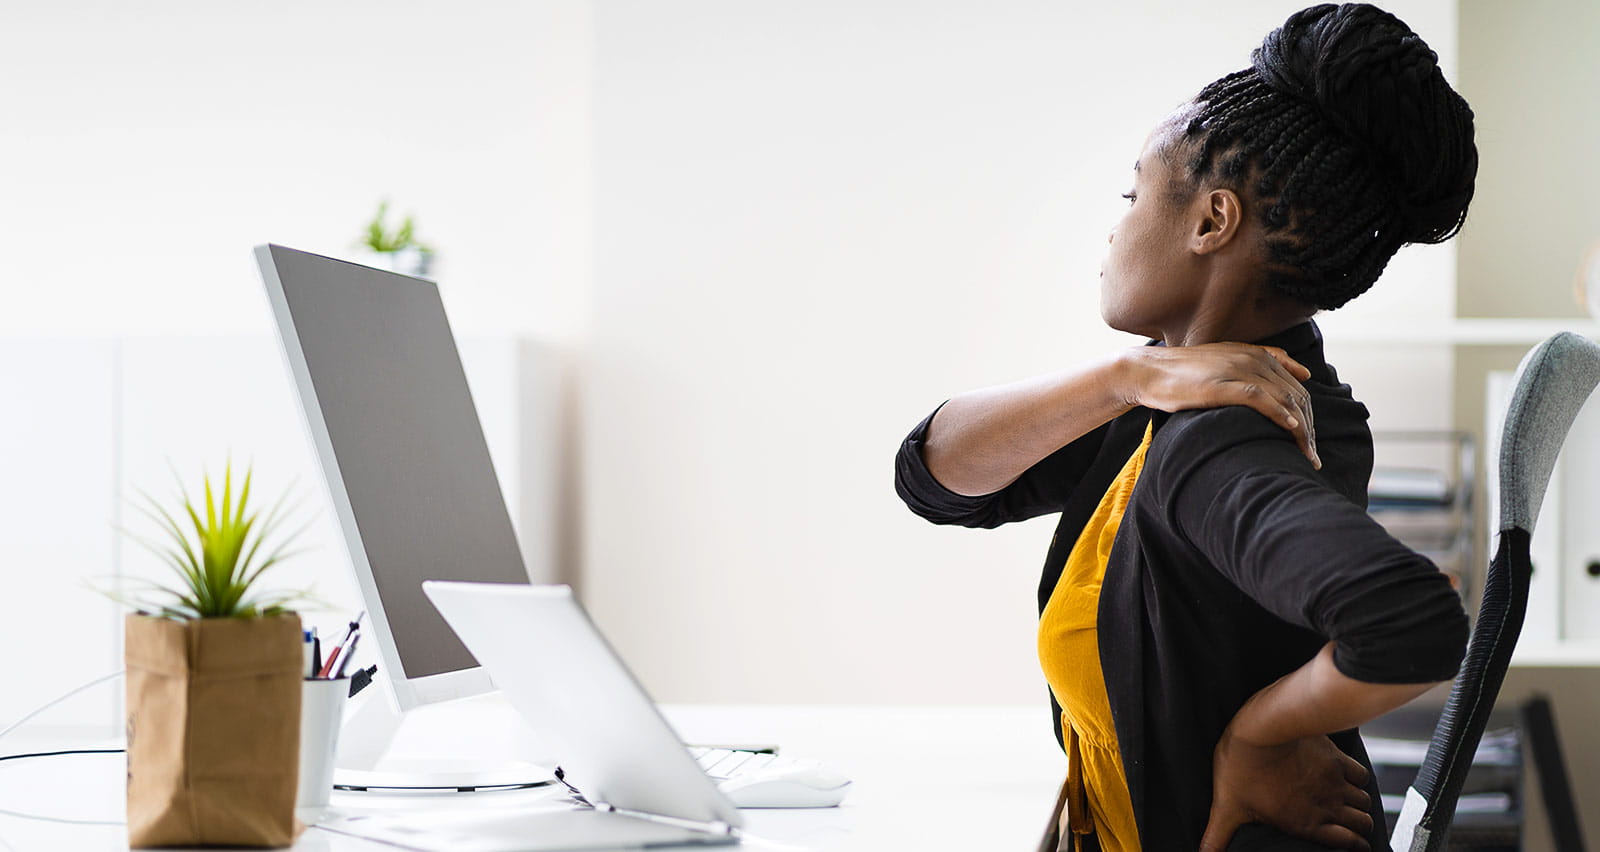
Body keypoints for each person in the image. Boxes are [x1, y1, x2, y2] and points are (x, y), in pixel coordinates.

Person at [893, 4, 1477, 851]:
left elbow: (1411, 621)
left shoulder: (1220, 437)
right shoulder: (1196, 396)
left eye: (1133, 192)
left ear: (1212, 221)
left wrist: (1260, 734)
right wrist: (1129, 375)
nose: (1116, 223)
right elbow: (938, 478)